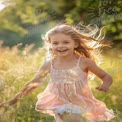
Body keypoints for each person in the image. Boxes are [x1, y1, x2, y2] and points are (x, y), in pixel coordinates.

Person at [0, 24, 115, 122]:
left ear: (75, 44)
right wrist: (14, 99)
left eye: (65, 42)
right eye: (55, 43)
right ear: (50, 45)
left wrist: (105, 84)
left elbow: (106, 76)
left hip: (82, 102)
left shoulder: (84, 62)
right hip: (59, 103)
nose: (60, 46)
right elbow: (33, 83)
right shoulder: (49, 64)